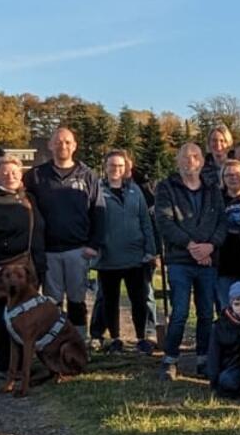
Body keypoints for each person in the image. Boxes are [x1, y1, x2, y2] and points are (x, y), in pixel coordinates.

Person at [151, 143, 225, 380]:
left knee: (205, 312)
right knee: (180, 311)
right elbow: (164, 222)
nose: (190, 161)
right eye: (185, 157)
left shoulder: (213, 190)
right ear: (178, 161)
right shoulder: (166, 188)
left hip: (207, 260)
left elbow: (221, 222)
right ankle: (170, 358)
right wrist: (191, 246)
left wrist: (209, 247)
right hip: (180, 260)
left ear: (202, 161)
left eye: (195, 156)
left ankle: (203, 358)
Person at [24, 126, 104, 333]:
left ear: (75, 146)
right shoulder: (36, 176)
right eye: (58, 142)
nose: (63, 146)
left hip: (78, 249)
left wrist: (93, 245)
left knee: (77, 300)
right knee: (52, 303)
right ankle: (55, 342)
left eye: (68, 142)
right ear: (50, 145)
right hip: (49, 250)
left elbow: (99, 212)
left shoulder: (88, 176)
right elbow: (11, 192)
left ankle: (79, 342)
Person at [0, 154, 46, 379]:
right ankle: (6, 366)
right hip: (4, 270)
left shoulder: (29, 198)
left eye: (14, 172)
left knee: (26, 316)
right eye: (4, 172)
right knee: (3, 317)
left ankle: (25, 363)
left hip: (30, 267)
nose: (10, 176)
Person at [93, 149, 159, 354]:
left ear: (126, 168)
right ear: (105, 167)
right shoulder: (97, 190)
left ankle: (142, 338)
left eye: (120, 166)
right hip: (108, 257)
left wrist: (151, 249)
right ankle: (115, 339)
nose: (116, 169)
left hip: (135, 256)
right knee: (109, 301)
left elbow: (145, 221)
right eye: (112, 165)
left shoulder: (135, 191)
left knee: (138, 300)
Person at [214, 161, 240, 310]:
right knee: (226, 310)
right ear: (223, 178)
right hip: (224, 263)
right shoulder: (217, 201)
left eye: (238, 174)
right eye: (228, 175)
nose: (233, 178)